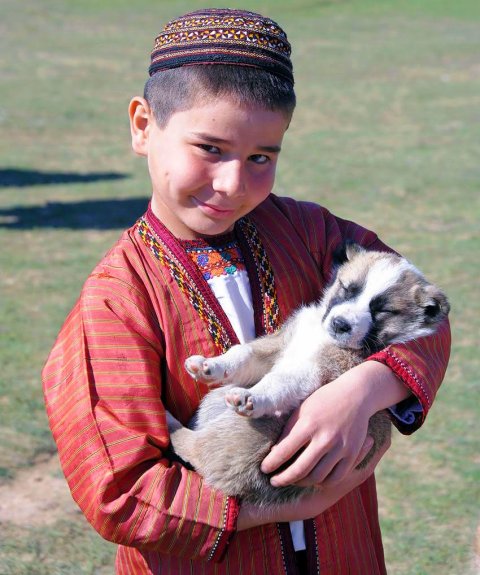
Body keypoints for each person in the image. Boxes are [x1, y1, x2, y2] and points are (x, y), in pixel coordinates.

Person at [42, 8, 450, 575]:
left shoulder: (313, 234)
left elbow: (425, 311)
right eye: (209, 148)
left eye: (261, 157)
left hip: (344, 551)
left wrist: (363, 390)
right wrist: (294, 504)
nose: (234, 183)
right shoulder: (117, 298)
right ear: (143, 126)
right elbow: (118, 490)